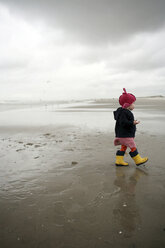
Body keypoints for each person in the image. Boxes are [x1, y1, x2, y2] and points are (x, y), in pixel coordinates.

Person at [113, 88, 148, 166]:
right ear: (127, 105)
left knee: (124, 146)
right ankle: (138, 160)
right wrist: (132, 123)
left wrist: (132, 123)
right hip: (125, 135)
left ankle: (119, 160)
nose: (134, 105)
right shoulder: (124, 113)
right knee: (132, 146)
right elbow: (123, 123)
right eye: (133, 103)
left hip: (123, 134)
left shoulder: (123, 112)